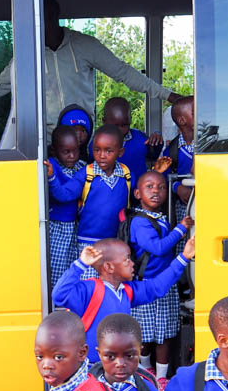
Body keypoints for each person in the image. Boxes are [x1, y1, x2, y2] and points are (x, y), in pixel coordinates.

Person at [0, 0, 181, 138]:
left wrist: (169, 96)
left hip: (84, 139)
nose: (38, 25)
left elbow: (123, 72)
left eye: (43, 18)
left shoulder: (84, 45)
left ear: (55, 16)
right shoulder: (29, 55)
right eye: (34, 20)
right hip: (47, 145)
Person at [52, 237, 194, 362]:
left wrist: (184, 257)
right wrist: (80, 264)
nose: (132, 263)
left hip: (116, 367)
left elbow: (157, 287)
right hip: (92, 369)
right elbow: (59, 294)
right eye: (127, 259)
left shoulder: (126, 291)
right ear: (109, 267)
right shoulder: (90, 290)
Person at [125, 167, 193, 389]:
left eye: (162, 187)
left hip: (165, 284)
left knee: (164, 334)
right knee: (144, 335)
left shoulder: (160, 217)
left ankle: (161, 376)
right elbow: (158, 248)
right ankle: (146, 369)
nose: (156, 191)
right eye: (150, 187)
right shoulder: (139, 222)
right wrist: (181, 230)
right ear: (137, 194)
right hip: (145, 286)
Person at [76, 125, 131, 257]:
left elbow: (140, 192)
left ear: (120, 152)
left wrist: (156, 172)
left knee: (111, 276)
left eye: (108, 151)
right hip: (88, 241)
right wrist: (51, 178)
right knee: (88, 277)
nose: (102, 156)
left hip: (116, 240)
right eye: (97, 150)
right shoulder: (86, 174)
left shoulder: (126, 174)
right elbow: (65, 194)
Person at [46, 125, 86, 285]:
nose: (71, 156)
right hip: (57, 228)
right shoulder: (51, 167)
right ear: (55, 151)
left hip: (75, 228)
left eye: (75, 151)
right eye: (66, 152)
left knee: (72, 271)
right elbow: (59, 194)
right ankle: (56, 306)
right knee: (57, 272)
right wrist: (52, 177)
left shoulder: (82, 166)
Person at [101, 96, 162, 190]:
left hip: (139, 195)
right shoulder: (98, 143)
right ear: (104, 122)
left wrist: (157, 140)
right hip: (111, 196)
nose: (120, 130)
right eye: (115, 125)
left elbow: (153, 155)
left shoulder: (140, 138)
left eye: (124, 125)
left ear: (130, 120)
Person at [163, 95, 195, 223]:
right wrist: (177, 187)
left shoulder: (209, 143)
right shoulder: (172, 150)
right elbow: (164, 177)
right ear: (182, 121)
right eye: (195, 112)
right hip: (184, 204)